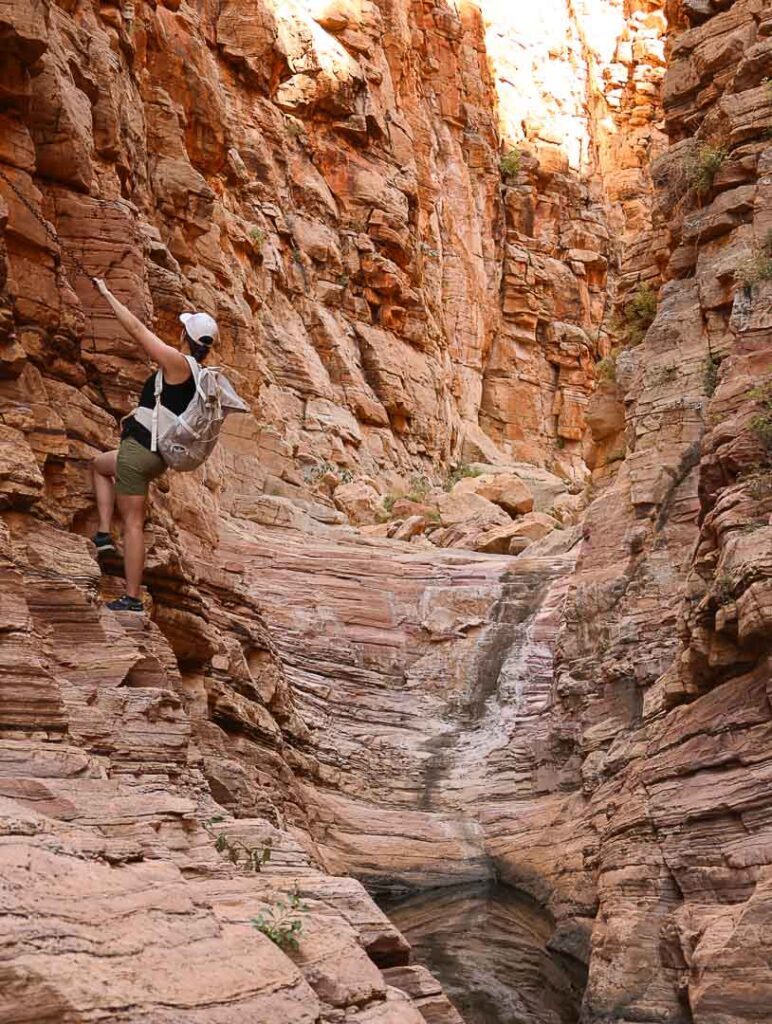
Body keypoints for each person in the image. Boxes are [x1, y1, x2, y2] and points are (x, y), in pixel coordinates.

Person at [91, 277, 218, 612]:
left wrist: (106, 293)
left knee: (133, 525)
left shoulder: (179, 364)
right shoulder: (201, 376)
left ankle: (132, 598)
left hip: (140, 450)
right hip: (155, 455)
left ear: (185, 337)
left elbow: (136, 330)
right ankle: (103, 534)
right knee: (100, 466)